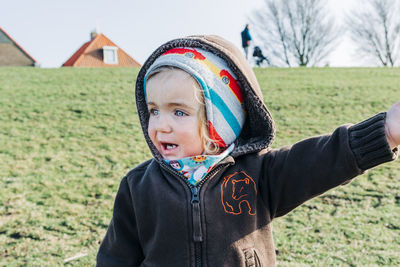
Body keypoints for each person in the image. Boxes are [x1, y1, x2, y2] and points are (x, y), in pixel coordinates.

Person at [96, 35, 399, 266]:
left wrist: (385, 131)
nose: (161, 125)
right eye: (154, 110)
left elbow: (321, 160)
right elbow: (115, 258)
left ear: (221, 123)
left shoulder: (259, 174)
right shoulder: (138, 187)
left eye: (178, 112)